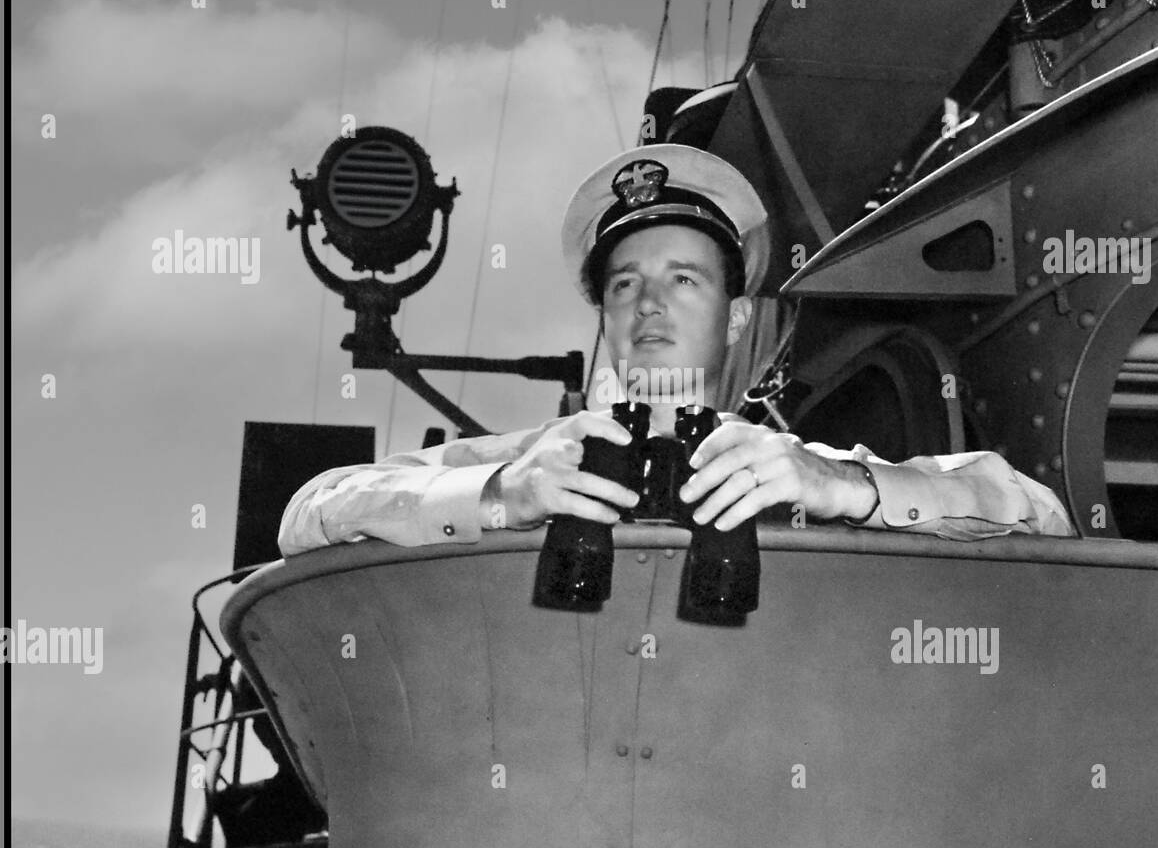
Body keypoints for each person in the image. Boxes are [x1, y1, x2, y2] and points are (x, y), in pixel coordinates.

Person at [278, 144, 1075, 558]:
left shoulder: (792, 468)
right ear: (605, 316)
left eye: (684, 280)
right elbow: (309, 513)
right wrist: (498, 496)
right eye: (624, 284)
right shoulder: (531, 464)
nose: (650, 303)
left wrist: (845, 485)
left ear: (734, 321)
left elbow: (1041, 514)